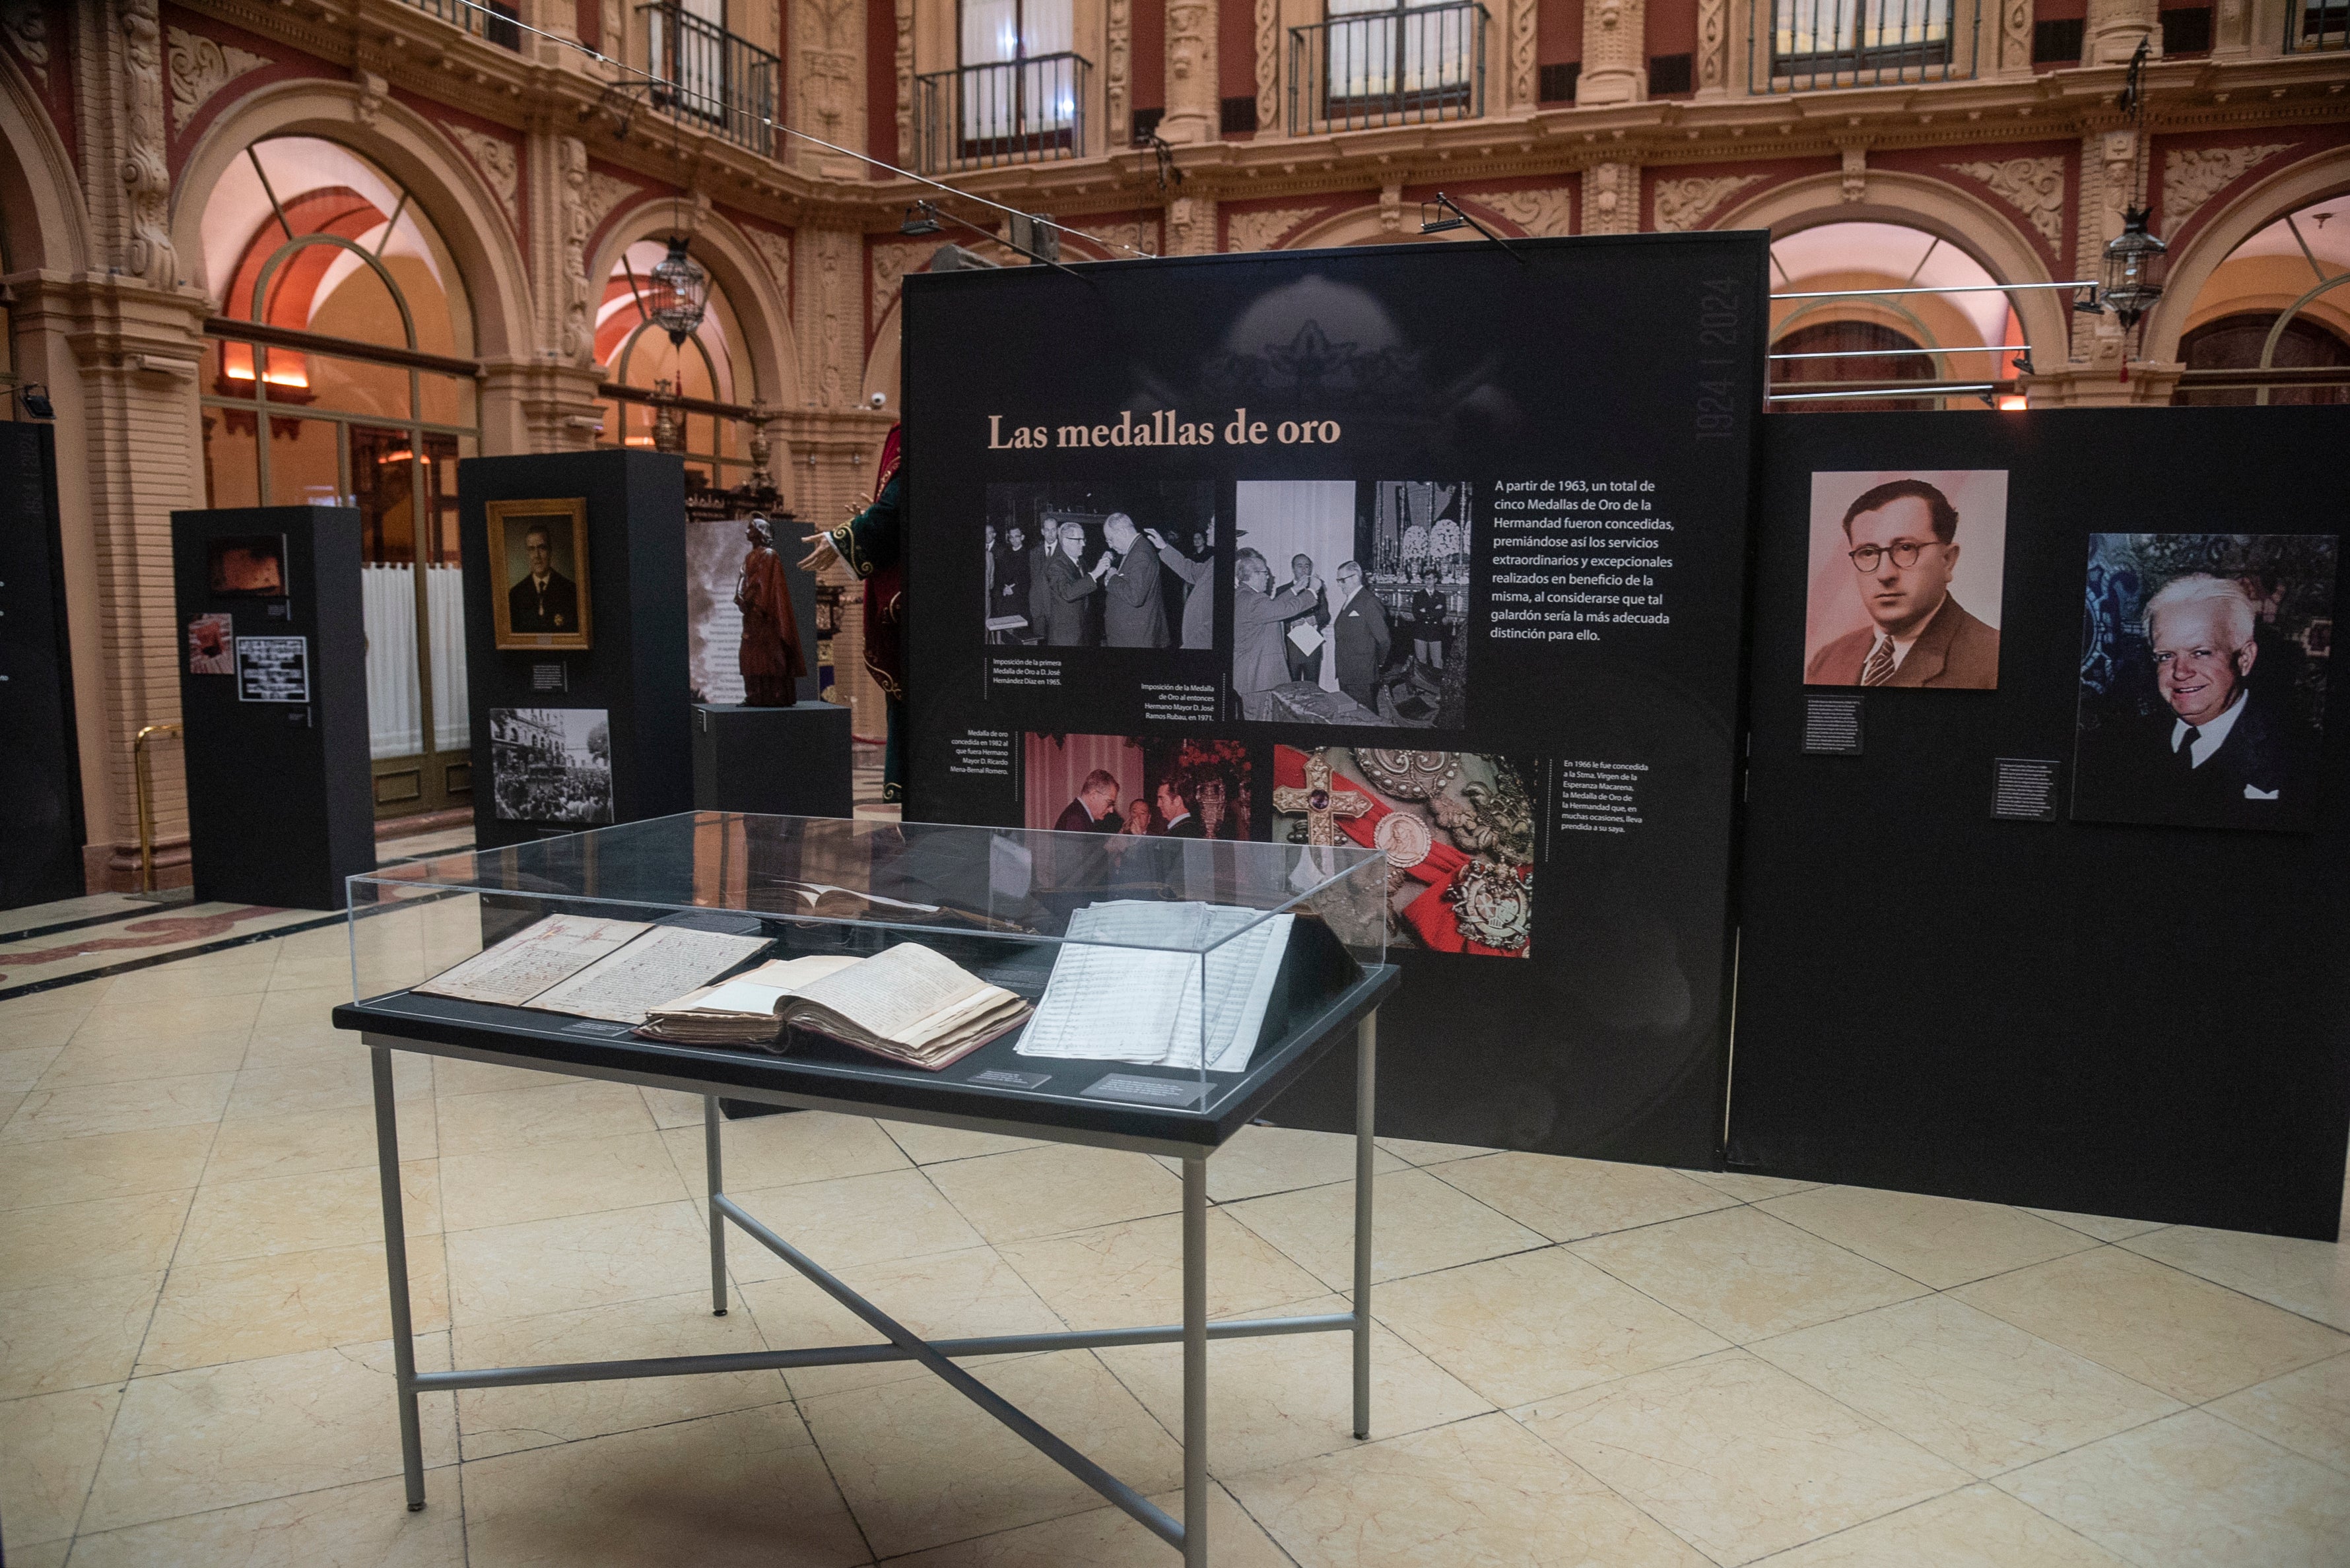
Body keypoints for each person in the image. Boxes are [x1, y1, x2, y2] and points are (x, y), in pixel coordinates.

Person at [2087, 573, 2316, 830]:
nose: (2180, 672)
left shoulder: (2303, 760)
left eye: (2201, 653)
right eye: (2165, 656)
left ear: (2245, 658)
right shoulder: (2114, 746)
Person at [1805, 478, 1999, 689]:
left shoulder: (1993, 660)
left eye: (1906, 548)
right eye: (1868, 553)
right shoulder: (1827, 660)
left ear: (1947, 561)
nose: (1885, 574)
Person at [801, 426, 906, 802]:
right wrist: (867, 525)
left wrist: (845, 538)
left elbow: (893, 511)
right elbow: (893, 514)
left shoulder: (912, 430)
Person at [1232, 548, 1314, 720]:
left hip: (1254, 677)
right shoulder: (1254, 600)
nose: (1269, 577)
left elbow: (1273, 608)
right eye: (1265, 573)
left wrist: (1295, 589)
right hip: (1258, 679)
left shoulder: (1246, 596)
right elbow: (1285, 609)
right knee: (1260, 720)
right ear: (1254, 575)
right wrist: (1311, 593)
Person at [733, 514, 805, 707]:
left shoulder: (769, 555)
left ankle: (774, 694)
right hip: (751, 615)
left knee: (768, 656)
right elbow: (744, 579)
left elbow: (762, 584)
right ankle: (754, 694)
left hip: (764, 615)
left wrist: (748, 598)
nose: (747, 531)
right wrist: (740, 595)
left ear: (760, 532)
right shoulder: (750, 556)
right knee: (749, 654)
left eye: (751, 528)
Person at [1097, 512, 1169, 649]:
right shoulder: (1135, 549)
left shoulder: (1141, 554)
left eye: (1110, 540)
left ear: (1123, 532)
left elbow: (1135, 596)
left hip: (1136, 639)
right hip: (1131, 636)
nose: (1111, 546)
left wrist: (1113, 577)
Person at [1329, 560, 1392, 714]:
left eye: (1342, 580)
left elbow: (1384, 640)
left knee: (1366, 715)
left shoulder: (1368, 602)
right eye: (1338, 581)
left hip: (1362, 674)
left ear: (1355, 577)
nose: (1339, 585)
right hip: (1346, 671)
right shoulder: (1352, 600)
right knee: (1351, 713)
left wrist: (1377, 663)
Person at [1146, 520, 1215, 649]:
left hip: (1201, 641)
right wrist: (1163, 547)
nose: (1207, 531)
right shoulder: (1214, 561)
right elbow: (1192, 572)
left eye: (1211, 525)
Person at [508, 521, 580, 634]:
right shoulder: (516, 594)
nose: (537, 556)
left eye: (542, 548)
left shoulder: (570, 590)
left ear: (550, 550)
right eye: (532, 549)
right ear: (528, 553)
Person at [1038, 523, 1100, 645]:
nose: (1084, 544)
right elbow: (1068, 593)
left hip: (1082, 631)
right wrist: (1096, 573)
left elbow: (1086, 586)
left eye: (1084, 539)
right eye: (1079, 540)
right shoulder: (1055, 566)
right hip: (1065, 636)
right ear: (1066, 541)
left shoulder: (1081, 562)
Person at [1283, 553, 1330, 682]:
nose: (1304, 570)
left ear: (1310, 569)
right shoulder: (1283, 590)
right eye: (1300, 566)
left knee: (1313, 688)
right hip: (1291, 649)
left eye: (1307, 566)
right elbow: (1277, 618)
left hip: (1312, 649)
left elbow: (1325, 615)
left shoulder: (1317, 589)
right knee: (1292, 688)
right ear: (1293, 569)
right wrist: (1291, 623)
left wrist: (1316, 620)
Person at [1052, 769, 1122, 833]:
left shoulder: (1080, 815)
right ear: (1093, 796)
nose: (1111, 810)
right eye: (1109, 803)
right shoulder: (1075, 820)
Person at [1411, 568, 1448, 670]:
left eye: (1431, 579)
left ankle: (1436, 683)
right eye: (1426, 579)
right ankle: (1421, 683)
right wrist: (1434, 610)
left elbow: (1442, 613)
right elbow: (1416, 614)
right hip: (1421, 632)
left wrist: (1426, 610)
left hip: (1435, 632)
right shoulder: (1418, 596)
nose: (1428, 581)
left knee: (1437, 660)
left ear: (1435, 580)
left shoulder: (1441, 596)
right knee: (1421, 661)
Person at [1157, 772, 1203, 837]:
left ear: (1177, 801)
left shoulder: (1184, 832)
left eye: (1162, 799)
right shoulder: (1187, 828)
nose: (1158, 804)